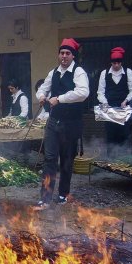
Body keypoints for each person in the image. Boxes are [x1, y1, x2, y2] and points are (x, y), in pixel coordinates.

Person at [35, 38, 89, 209]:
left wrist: (59, 98)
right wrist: (41, 97)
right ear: (58, 55)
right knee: (50, 158)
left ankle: (63, 194)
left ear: (73, 56)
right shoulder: (54, 72)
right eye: (62, 53)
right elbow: (42, 88)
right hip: (53, 122)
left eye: (67, 53)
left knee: (66, 160)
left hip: (71, 123)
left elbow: (83, 92)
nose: (64, 56)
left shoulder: (79, 72)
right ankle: (45, 197)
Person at [97, 47, 132, 157]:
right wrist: (105, 103)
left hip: (124, 108)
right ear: (111, 62)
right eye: (114, 63)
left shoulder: (128, 72)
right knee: (110, 135)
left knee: (124, 135)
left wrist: (126, 100)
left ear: (121, 62)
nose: (116, 65)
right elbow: (100, 92)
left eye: (118, 62)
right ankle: (110, 161)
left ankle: (123, 161)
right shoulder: (104, 73)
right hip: (109, 108)